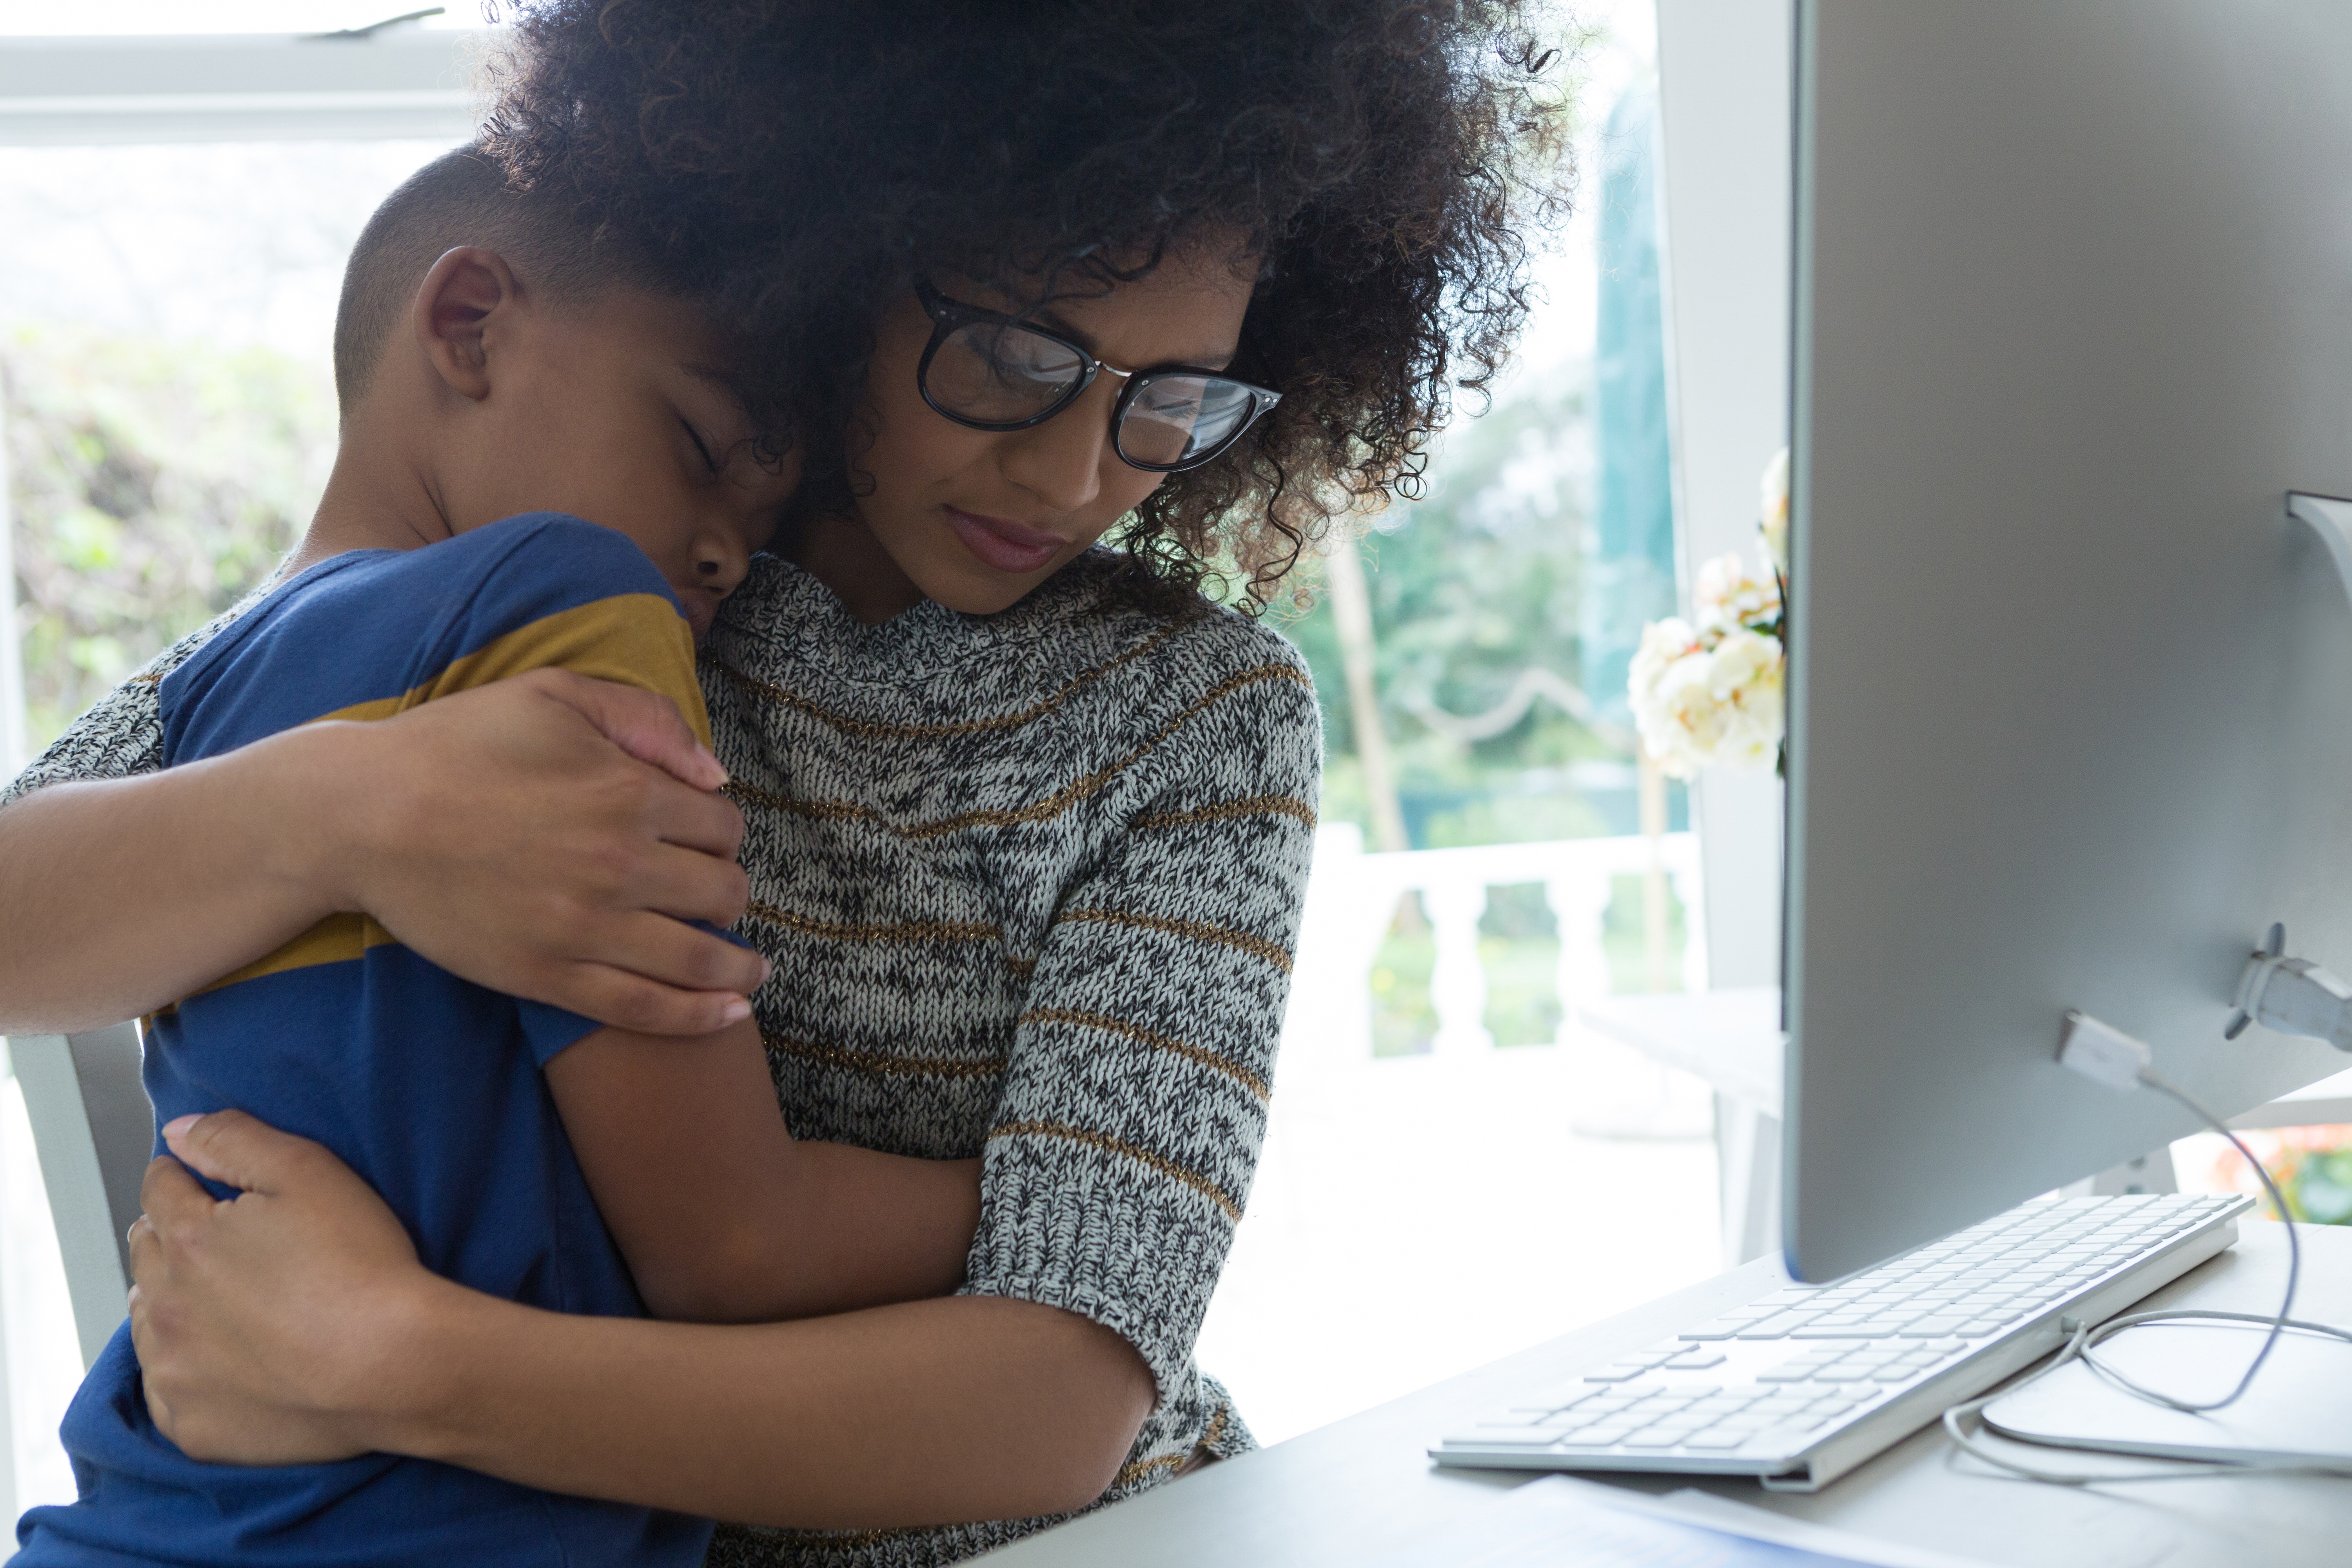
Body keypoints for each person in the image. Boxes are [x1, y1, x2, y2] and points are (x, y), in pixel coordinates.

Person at [0, 4, 1568, 1564]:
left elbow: (1059, 1402)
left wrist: (405, 1367)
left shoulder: (1197, 715)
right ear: (841, 257)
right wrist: (352, 809)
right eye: (1019, 357)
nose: (1080, 474)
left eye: (1171, 399)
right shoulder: (604, 561)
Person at [13, 147, 988, 1568]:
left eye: (767, 526)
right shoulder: (565, 592)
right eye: (703, 452)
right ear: (470, 325)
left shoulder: (203, 694)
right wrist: (1069, 1192)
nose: (724, 557)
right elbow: (737, 1251)